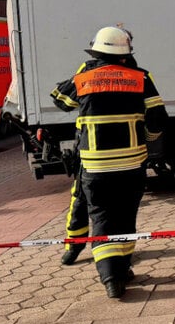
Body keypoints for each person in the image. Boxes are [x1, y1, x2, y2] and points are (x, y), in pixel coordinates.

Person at [50, 26, 167, 299]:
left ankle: (111, 277)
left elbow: (60, 101)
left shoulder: (85, 76)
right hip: (132, 162)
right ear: (126, 54)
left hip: (96, 165)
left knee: (101, 218)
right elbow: (158, 117)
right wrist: (147, 137)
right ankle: (122, 267)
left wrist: (85, 71)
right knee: (126, 216)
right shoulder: (140, 77)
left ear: (96, 51)